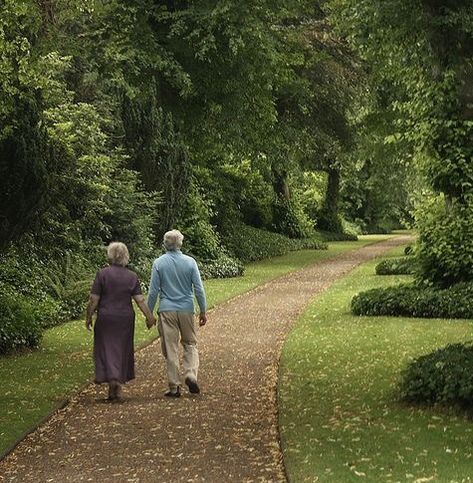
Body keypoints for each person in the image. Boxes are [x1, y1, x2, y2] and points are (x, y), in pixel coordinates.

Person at [86, 242, 156, 402]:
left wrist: (89, 316)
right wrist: (149, 316)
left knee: (105, 348)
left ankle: (112, 379)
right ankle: (117, 379)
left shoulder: (102, 274)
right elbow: (140, 300)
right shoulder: (131, 276)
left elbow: (93, 300)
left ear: (110, 255)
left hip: (106, 317)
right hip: (125, 318)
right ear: (126, 256)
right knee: (122, 348)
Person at [147, 229, 207, 397]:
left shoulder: (159, 263)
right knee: (190, 344)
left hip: (167, 310)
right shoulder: (190, 262)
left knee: (170, 347)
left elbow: (153, 292)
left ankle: (174, 386)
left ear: (165, 244)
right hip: (186, 308)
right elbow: (199, 289)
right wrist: (202, 310)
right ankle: (190, 373)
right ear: (180, 243)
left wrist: (148, 314)